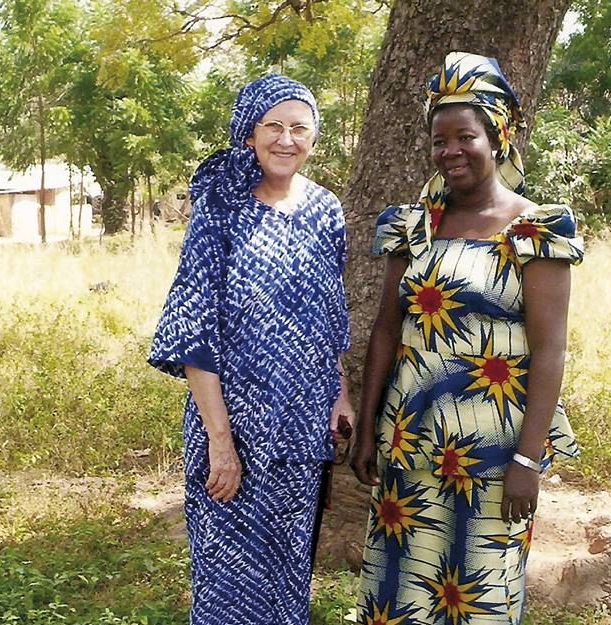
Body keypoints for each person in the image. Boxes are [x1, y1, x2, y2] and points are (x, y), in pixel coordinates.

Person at [350, 52, 584, 625]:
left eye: (465, 136)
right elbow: (387, 330)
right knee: (402, 589)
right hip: (411, 439)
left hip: (496, 452)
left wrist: (529, 458)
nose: (450, 151)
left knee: (481, 594)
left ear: (497, 135)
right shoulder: (413, 225)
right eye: (439, 140)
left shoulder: (536, 228)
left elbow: (550, 349)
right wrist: (367, 429)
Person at [147, 74, 353, 625]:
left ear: (314, 137)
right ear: (249, 132)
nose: (286, 139)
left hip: (303, 423)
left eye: (299, 128)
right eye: (273, 126)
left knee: (287, 577)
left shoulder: (326, 210)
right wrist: (220, 442)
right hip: (232, 425)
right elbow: (194, 331)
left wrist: (342, 394)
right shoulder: (221, 209)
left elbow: (331, 316)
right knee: (228, 582)